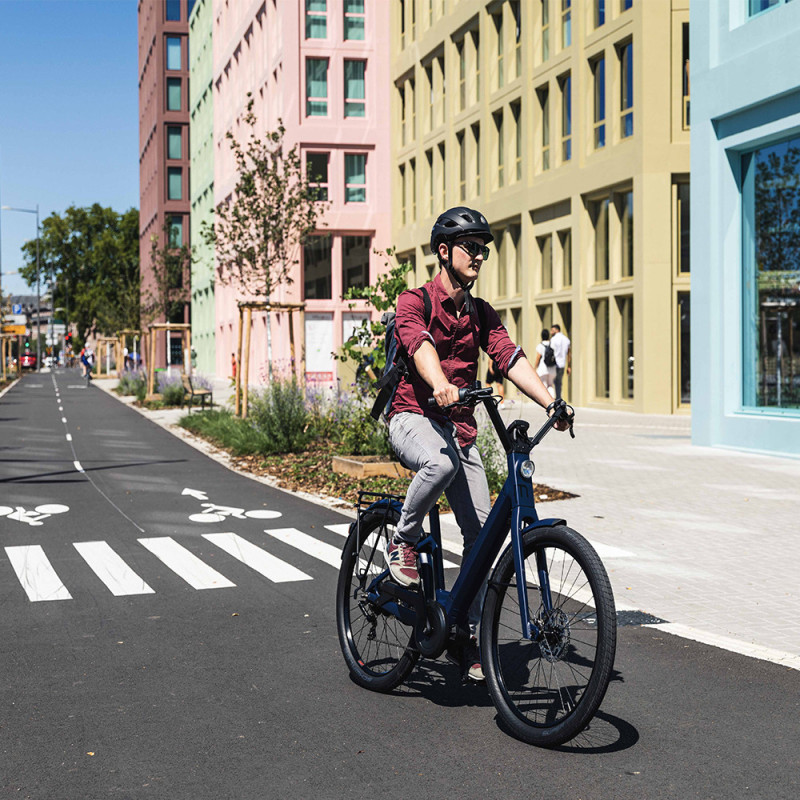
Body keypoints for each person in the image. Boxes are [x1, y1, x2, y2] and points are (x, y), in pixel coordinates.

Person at [385, 206, 569, 682]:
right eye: (471, 247)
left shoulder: (480, 313)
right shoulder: (415, 301)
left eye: (484, 249)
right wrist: (441, 382)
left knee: (485, 537)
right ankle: (401, 539)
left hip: (461, 428)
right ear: (444, 251)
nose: (479, 256)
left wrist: (552, 402)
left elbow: (509, 356)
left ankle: (462, 630)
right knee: (440, 463)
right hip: (413, 415)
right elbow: (419, 344)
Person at [549, 324, 571, 400]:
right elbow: (569, 354)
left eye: (552, 330)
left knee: (551, 383)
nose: (551, 332)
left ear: (557, 330)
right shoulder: (566, 340)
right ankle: (558, 398)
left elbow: (550, 352)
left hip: (554, 364)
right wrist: (569, 366)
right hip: (562, 364)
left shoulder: (553, 339)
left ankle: (555, 399)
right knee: (559, 383)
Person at [533, 329, 556, 398]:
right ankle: (552, 400)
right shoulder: (552, 344)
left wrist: (535, 367)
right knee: (550, 385)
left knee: (544, 385)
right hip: (552, 368)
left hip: (543, 368)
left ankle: (546, 401)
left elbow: (538, 357)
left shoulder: (540, 345)